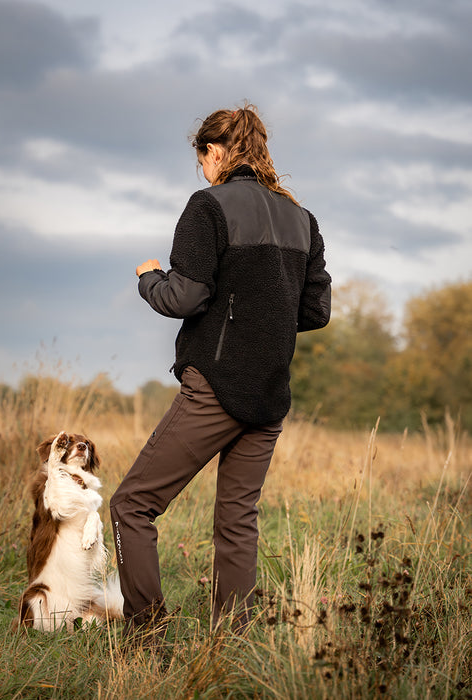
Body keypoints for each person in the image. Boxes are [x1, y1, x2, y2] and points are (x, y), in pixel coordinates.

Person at [109, 103, 331, 640]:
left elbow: (184, 297)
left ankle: (146, 637)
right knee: (237, 523)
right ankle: (231, 648)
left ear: (215, 152)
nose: (202, 172)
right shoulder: (302, 219)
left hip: (215, 389)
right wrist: (263, 318)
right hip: (270, 393)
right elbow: (314, 312)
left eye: (201, 159)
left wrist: (148, 278)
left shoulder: (207, 206)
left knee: (131, 506)